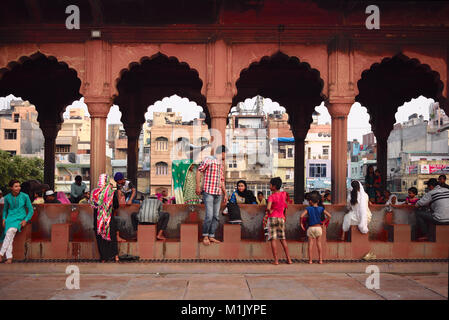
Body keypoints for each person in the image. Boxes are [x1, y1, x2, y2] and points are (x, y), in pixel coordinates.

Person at [196, 145, 228, 246]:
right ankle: (205, 236)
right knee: (209, 215)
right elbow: (199, 171)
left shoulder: (221, 164)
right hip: (208, 191)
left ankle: (211, 235)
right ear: (221, 153)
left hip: (218, 193)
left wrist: (225, 193)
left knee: (216, 216)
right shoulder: (208, 160)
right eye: (224, 154)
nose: (225, 156)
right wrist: (198, 186)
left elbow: (221, 180)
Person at [0, 180, 34, 263]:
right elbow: (5, 210)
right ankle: (9, 258)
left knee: (10, 231)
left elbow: (31, 210)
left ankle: (1, 254)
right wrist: (4, 218)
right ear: (11, 188)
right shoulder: (7, 197)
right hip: (10, 218)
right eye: (16, 186)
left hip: (20, 218)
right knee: (9, 236)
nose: (18, 188)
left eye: (19, 186)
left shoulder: (25, 196)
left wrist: (25, 220)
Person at [91, 174, 119, 262]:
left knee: (100, 238)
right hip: (109, 219)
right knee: (112, 237)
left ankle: (103, 257)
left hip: (98, 220)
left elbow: (92, 205)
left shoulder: (94, 193)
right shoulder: (111, 192)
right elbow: (116, 205)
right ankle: (115, 256)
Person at [266, 177, 292, 265]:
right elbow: (285, 205)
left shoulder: (271, 197)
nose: (269, 186)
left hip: (272, 218)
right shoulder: (284, 195)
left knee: (273, 239)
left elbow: (268, 208)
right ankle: (289, 259)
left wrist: (270, 210)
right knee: (283, 239)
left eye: (270, 184)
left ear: (274, 186)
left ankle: (276, 260)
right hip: (281, 218)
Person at [300, 192, 332, 264]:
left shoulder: (308, 208)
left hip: (311, 228)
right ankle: (320, 260)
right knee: (319, 243)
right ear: (318, 201)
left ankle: (310, 260)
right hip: (318, 228)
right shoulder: (321, 208)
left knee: (310, 244)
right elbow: (329, 216)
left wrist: (301, 224)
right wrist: (324, 222)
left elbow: (301, 216)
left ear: (310, 201)